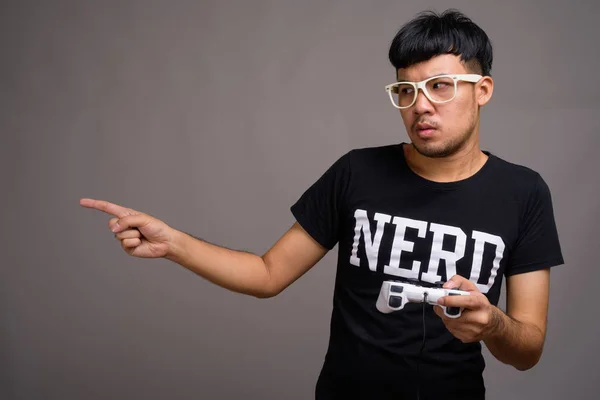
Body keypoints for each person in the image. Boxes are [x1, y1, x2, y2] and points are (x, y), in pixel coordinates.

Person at [80, 9, 564, 400]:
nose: (421, 106)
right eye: (405, 90)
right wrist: (174, 244)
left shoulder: (524, 192)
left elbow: (528, 349)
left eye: (440, 86)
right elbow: (268, 274)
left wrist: (493, 323)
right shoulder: (357, 172)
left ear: (482, 91)